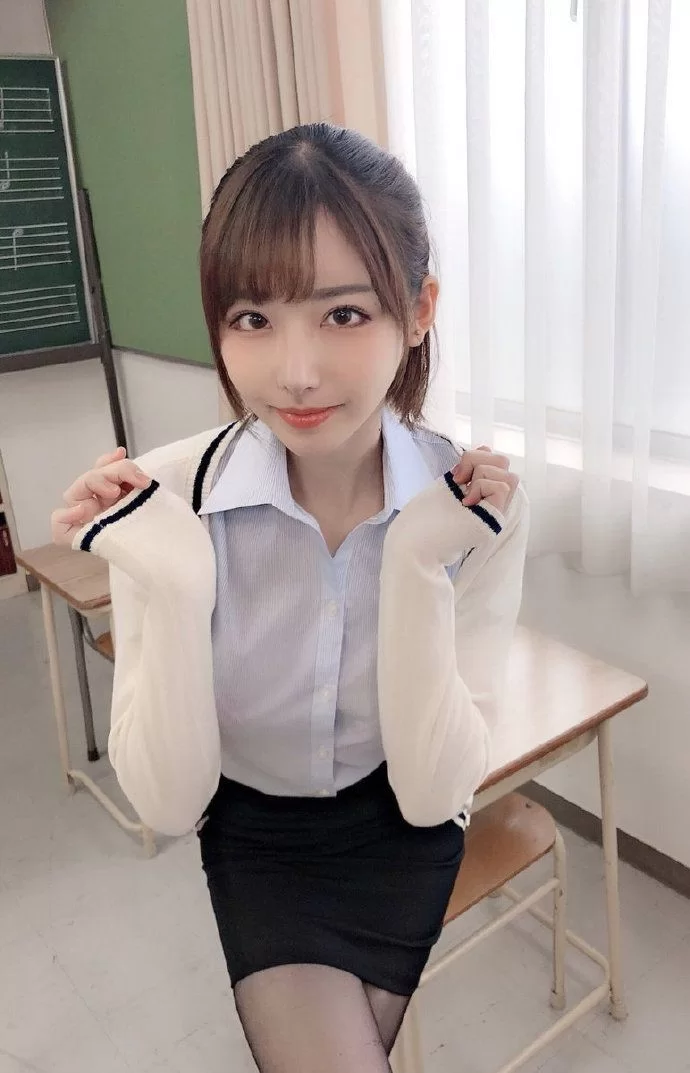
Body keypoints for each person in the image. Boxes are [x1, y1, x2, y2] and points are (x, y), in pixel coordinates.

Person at [51, 123, 529, 1073]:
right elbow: (171, 803)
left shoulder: (472, 508)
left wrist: (413, 563)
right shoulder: (167, 496)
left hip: (400, 818)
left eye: (343, 314)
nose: (295, 371)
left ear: (419, 308)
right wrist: (175, 583)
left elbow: (436, 792)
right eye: (252, 318)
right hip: (256, 828)